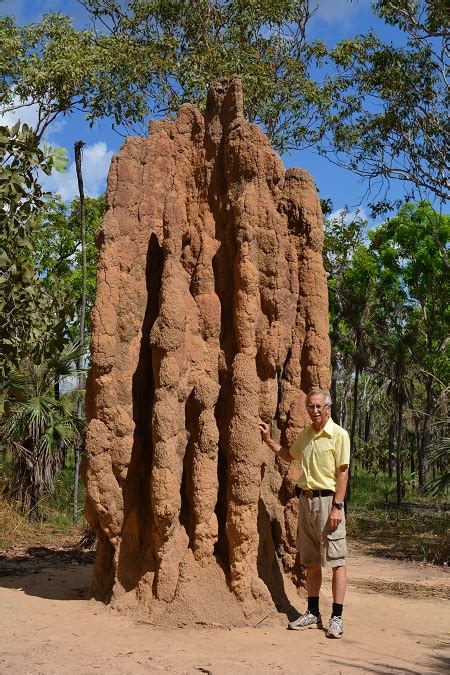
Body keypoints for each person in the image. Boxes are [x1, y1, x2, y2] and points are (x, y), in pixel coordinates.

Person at [258, 387, 350, 639]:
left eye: (319, 406)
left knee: (336, 560)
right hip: (306, 502)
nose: (315, 410)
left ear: (328, 407)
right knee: (311, 561)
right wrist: (269, 441)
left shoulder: (339, 435)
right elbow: (289, 455)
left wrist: (337, 506)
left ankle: (337, 617)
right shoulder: (306, 435)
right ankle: (312, 612)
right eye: (311, 406)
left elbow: (343, 472)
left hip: (328, 501)